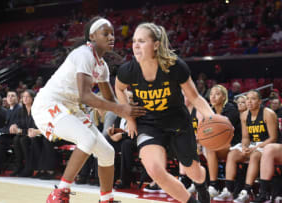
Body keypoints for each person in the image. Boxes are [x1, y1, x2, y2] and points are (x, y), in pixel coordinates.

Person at [31, 17, 145, 203]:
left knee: (107, 152)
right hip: (50, 104)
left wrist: (128, 113)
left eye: (112, 34)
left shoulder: (102, 66)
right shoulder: (83, 54)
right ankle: (59, 193)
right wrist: (120, 108)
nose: (111, 37)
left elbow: (109, 99)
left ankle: (106, 199)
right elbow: (86, 96)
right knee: (87, 138)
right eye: (105, 33)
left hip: (71, 107)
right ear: (92, 36)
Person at [115, 22, 216, 203]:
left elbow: (195, 97)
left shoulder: (175, 66)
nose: (135, 46)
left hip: (177, 122)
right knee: (155, 170)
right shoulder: (128, 70)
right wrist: (129, 117)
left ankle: (201, 186)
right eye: (134, 41)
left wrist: (213, 118)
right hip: (148, 124)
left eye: (141, 41)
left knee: (194, 171)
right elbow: (119, 89)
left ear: (155, 44)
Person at [214, 90, 278, 203]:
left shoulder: (268, 113)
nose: (249, 101)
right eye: (247, 99)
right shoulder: (244, 115)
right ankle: (228, 190)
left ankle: (246, 191)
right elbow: (245, 137)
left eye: (253, 99)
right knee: (232, 154)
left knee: (254, 155)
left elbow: (273, 138)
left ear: (259, 101)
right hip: (253, 145)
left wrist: (254, 148)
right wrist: (244, 146)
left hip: (268, 145)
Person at [205, 85, 241, 198]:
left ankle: (227, 187)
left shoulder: (230, 108)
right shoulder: (209, 110)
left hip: (236, 145)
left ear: (224, 96)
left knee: (210, 147)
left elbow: (222, 131)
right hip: (222, 145)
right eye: (211, 94)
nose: (213, 97)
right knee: (208, 149)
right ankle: (213, 186)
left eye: (217, 94)